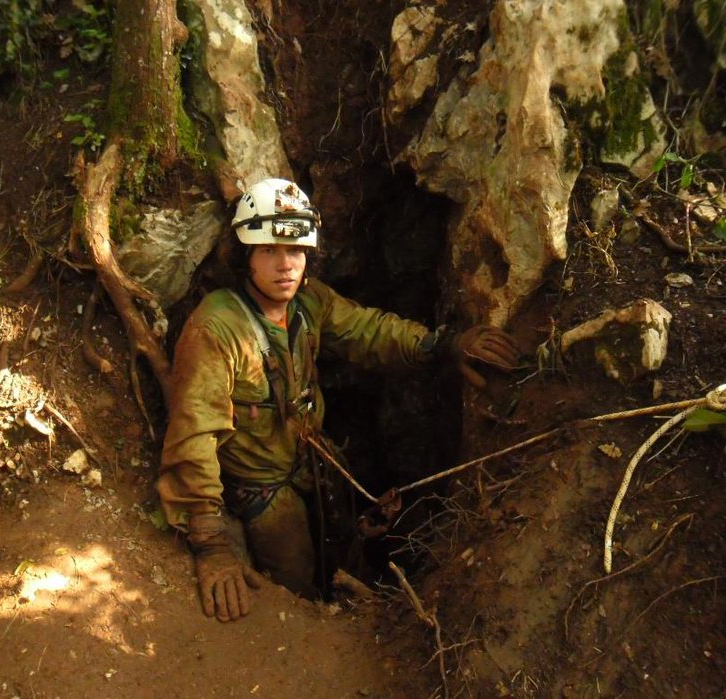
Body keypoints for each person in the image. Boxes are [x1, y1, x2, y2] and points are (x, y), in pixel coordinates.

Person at [157, 178, 519, 622]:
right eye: (269, 250)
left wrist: (440, 345)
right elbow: (194, 433)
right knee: (295, 582)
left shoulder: (309, 302)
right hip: (262, 490)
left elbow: (369, 331)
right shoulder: (216, 328)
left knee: (345, 548)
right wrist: (211, 543)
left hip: (316, 465)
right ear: (244, 256)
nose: (285, 264)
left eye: (295, 251)